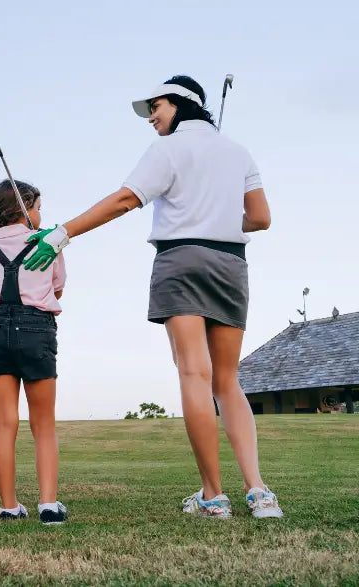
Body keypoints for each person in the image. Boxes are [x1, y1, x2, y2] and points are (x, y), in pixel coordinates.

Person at [24, 75, 283, 519]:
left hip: (181, 260)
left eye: (156, 107)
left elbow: (126, 199)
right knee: (227, 381)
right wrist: (216, 211)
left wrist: (64, 233)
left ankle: (213, 497)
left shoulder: (167, 149)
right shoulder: (238, 152)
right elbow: (259, 218)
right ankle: (259, 493)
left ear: (182, 103)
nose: (151, 118)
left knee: (194, 376)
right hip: (230, 264)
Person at [0, 180, 69, 525]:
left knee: (4, 423)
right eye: (37, 206)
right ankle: (48, 505)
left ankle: (9, 506)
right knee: (44, 424)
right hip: (36, 329)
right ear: (25, 208)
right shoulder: (48, 245)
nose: (40, 214)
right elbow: (58, 290)